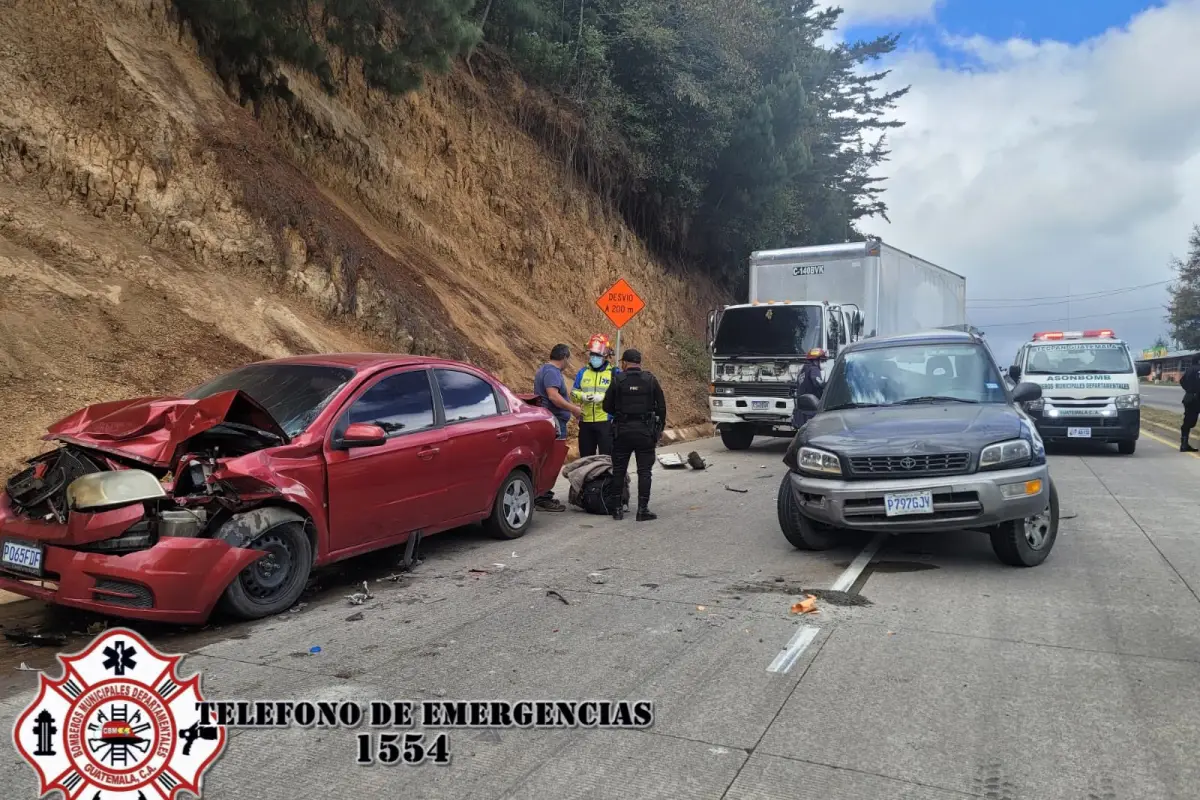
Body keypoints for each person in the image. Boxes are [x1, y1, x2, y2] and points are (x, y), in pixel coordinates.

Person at [602, 348, 667, 521]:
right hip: (645, 431)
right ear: (639, 363)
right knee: (644, 472)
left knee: (619, 471)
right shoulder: (650, 380)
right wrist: (659, 428)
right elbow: (661, 406)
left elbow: (606, 406)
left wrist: (619, 410)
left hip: (622, 431)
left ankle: (617, 510)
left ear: (624, 363)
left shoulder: (618, 380)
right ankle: (642, 510)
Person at [534, 344, 583, 510]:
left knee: (547, 460)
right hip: (553, 423)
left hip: (550, 421)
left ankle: (543, 495)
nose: (569, 363)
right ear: (564, 358)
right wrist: (573, 409)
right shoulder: (552, 373)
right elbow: (553, 397)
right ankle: (543, 497)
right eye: (568, 359)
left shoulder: (544, 370)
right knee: (552, 461)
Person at [571, 334, 619, 457]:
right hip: (586, 421)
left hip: (606, 422)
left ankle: (607, 477)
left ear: (605, 356)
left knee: (606, 459)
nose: (594, 357)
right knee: (586, 459)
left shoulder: (614, 373)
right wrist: (583, 396)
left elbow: (621, 396)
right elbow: (573, 393)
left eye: (597, 355)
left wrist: (603, 397)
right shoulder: (583, 372)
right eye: (592, 354)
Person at [791, 348, 826, 429]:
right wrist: (828, 385)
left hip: (802, 411)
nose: (824, 363)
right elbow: (818, 383)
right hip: (812, 411)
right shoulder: (814, 369)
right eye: (822, 360)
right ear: (816, 361)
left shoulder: (803, 370)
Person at [1180, 361, 1200, 453]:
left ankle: (1184, 445)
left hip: (1189, 398)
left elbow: (1182, 381)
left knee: (1188, 422)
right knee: (1190, 422)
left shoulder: (1189, 369)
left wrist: (1189, 390)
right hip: (1197, 398)